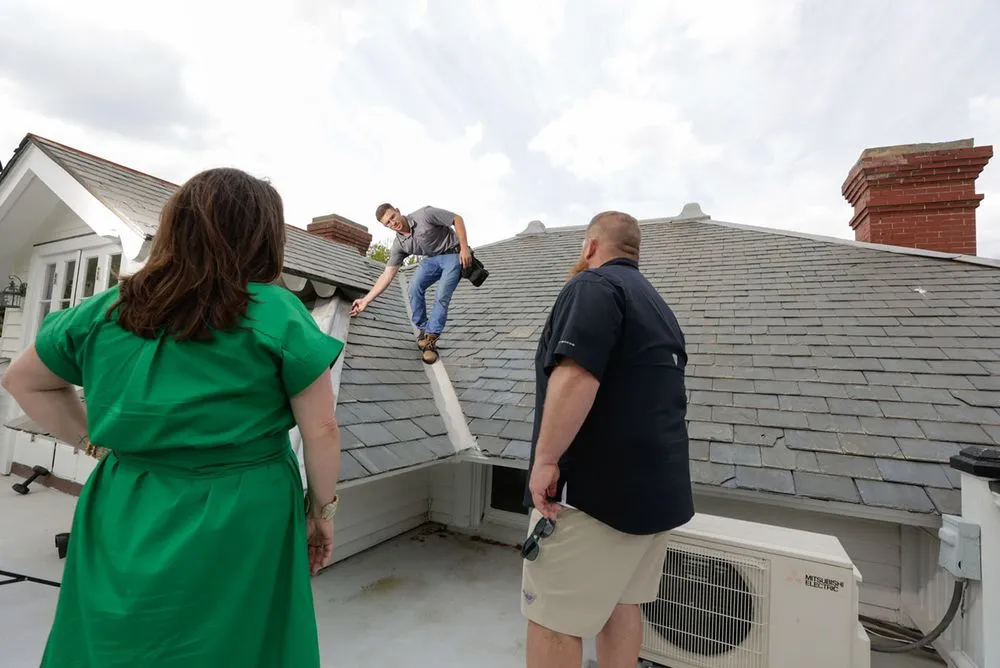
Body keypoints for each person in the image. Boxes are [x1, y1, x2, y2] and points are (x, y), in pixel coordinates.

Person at [1, 168, 345, 668]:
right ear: (261, 237)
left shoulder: (107, 310)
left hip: (128, 500)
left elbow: (22, 380)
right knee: (238, 643)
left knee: (119, 637)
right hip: (244, 508)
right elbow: (322, 429)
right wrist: (323, 512)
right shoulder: (275, 311)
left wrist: (94, 444)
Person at [520, 211, 694, 668]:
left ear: (591, 247)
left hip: (592, 499)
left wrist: (544, 461)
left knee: (553, 620)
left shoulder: (593, 286)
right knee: (622, 603)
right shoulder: (657, 305)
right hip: (655, 497)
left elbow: (576, 375)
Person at [350, 203, 472, 364]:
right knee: (413, 287)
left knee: (441, 295)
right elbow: (387, 274)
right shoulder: (400, 244)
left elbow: (456, 218)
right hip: (432, 260)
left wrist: (464, 248)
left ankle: (431, 340)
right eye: (388, 223)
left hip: (453, 253)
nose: (392, 223)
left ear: (398, 211)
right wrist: (365, 300)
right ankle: (424, 328)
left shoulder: (425, 215)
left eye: (392, 217)